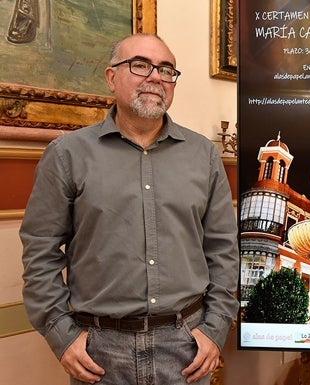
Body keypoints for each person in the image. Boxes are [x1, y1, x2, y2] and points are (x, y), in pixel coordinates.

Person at [20, 33, 239, 385]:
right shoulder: (67, 155)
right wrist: (61, 335)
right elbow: (40, 252)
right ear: (111, 78)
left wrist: (214, 330)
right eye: (140, 65)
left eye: (167, 70)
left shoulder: (203, 155)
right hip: (101, 353)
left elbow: (223, 250)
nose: (156, 77)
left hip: (186, 348)